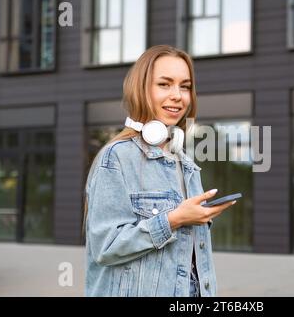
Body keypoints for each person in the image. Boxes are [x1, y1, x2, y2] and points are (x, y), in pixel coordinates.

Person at [83, 45, 236, 297]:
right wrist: (174, 219)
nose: (177, 95)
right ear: (142, 89)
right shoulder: (116, 158)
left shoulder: (185, 163)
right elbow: (105, 247)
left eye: (184, 86)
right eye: (165, 84)